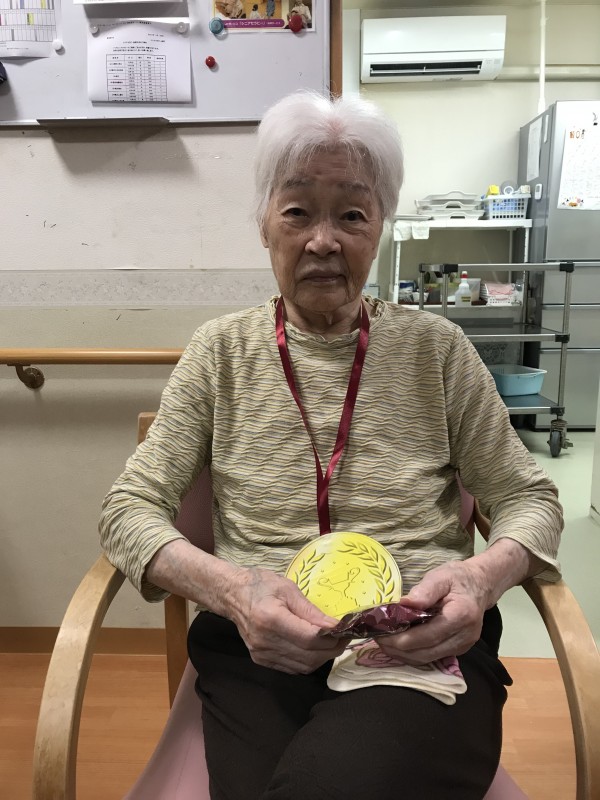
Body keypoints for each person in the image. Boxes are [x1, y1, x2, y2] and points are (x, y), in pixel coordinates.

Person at [100, 91, 563, 800]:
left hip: (417, 648)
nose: (323, 240)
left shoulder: (437, 350)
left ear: (381, 227)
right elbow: (126, 511)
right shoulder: (219, 353)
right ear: (264, 223)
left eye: (351, 214)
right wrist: (234, 591)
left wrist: (480, 579)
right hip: (259, 653)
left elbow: (531, 500)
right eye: (297, 211)